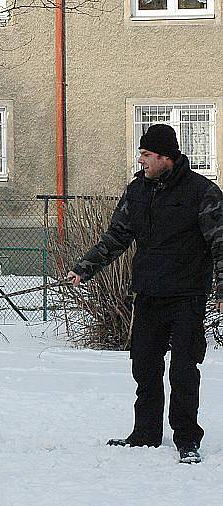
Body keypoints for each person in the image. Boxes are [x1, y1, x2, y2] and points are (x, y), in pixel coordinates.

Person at [67, 123, 223, 464]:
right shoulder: (137, 191)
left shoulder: (203, 193)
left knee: (183, 370)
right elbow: (117, 236)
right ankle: (146, 433)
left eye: (147, 155)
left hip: (187, 295)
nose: (141, 161)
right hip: (149, 293)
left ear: (166, 157)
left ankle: (186, 438)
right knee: (144, 366)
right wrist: (85, 267)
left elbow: (220, 243)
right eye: (141, 154)